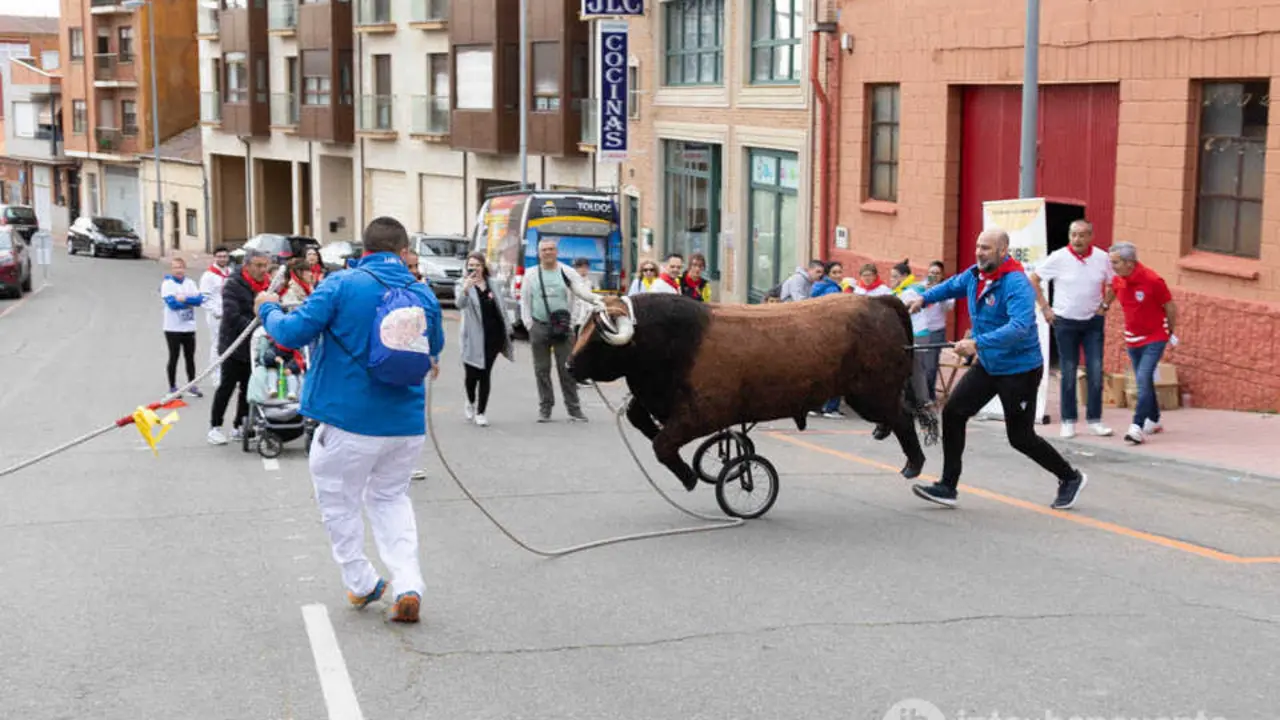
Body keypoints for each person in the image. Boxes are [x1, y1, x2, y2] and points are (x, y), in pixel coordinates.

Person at [254, 216, 444, 624]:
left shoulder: (342, 284)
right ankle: (408, 583)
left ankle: (361, 581)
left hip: (348, 421)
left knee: (338, 501)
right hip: (405, 425)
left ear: (365, 249)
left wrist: (267, 307)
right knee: (391, 499)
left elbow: (290, 333)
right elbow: (436, 347)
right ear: (403, 250)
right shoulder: (421, 293)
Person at [906, 228, 1088, 511]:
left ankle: (1070, 477)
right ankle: (947, 486)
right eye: (979, 246)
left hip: (1019, 370)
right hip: (990, 364)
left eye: (987, 248)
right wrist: (924, 299)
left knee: (1021, 438)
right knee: (954, 412)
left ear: (1004, 251)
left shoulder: (1016, 284)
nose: (980, 252)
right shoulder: (976, 274)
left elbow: (1019, 327)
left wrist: (976, 343)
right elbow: (953, 284)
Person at [1027, 219, 1115, 438]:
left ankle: (1095, 419)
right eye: (1073, 234)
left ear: (1091, 236)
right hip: (1065, 321)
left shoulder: (1102, 258)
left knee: (1095, 370)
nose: (1077, 239)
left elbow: (1115, 283)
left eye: (1082, 235)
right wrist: (1045, 308)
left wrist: (1105, 305)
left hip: (1093, 322)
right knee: (1068, 370)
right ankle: (1068, 420)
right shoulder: (1058, 257)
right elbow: (1034, 279)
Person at [518, 237, 604, 422]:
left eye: (551, 249)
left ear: (557, 252)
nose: (548, 253)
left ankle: (574, 409)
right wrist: (529, 324)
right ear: (539, 254)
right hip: (539, 326)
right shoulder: (531, 274)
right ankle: (545, 408)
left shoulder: (567, 272)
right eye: (544, 250)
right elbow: (525, 300)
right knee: (541, 370)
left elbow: (580, 293)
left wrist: (575, 320)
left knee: (567, 370)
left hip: (563, 328)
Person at [1108, 241, 1177, 446]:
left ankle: (1136, 426)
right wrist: (1104, 304)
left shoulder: (1153, 280)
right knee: (1144, 380)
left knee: (1143, 377)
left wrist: (1170, 330)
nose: (1112, 266)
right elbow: (1113, 289)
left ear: (1130, 263)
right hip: (1132, 337)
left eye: (1116, 262)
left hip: (1155, 337)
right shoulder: (1119, 279)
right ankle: (1154, 419)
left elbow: (1170, 307)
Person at [208, 249, 272, 445]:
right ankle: (215, 426)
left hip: (254, 347)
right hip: (233, 344)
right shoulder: (233, 285)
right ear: (247, 266)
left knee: (248, 387)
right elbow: (232, 315)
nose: (263, 270)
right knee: (227, 386)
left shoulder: (267, 285)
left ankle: (240, 425)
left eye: (265, 265)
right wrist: (257, 326)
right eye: (259, 266)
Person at [457, 251, 513, 427]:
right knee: (472, 374)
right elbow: (459, 304)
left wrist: (508, 328)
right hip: (472, 337)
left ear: (483, 267)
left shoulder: (492, 284)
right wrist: (466, 288)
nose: (474, 269)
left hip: (492, 336)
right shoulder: (462, 284)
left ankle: (481, 412)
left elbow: (501, 307)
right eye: (471, 266)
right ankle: (470, 401)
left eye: (477, 265)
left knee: (485, 374)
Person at [161, 258, 204, 397]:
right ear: (171, 270)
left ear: (184, 268)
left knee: (190, 357)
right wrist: (188, 302)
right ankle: (173, 387)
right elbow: (172, 304)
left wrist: (184, 299)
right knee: (174, 356)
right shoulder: (167, 284)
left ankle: (192, 384)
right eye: (175, 268)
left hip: (189, 327)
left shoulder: (190, 283)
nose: (178, 270)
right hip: (172, 327)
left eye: (180, 267)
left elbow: (199, 300)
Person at [809, 261, 847, 418]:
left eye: (840, 272)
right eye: (835, 273)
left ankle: (815, 405)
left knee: (820, 373)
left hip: (817, 335)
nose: (838, 275)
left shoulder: (817, 288)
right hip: (832, 335)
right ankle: (831, 407)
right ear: (828, 274)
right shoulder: (833, 290)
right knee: (837, 371)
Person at [919, 260, 955, 403]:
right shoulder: (921, 287)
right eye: (931, 273)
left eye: (937, 273)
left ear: (942, 276)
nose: (933, 275)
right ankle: (919, 396)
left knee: (930, 366)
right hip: (921, 330)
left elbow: (949, 307)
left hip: (936, 331)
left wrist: (937, 293)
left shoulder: (946, 289)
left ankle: (929, 396)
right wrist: (925, 292)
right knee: (919, 365)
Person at [199, 247, 231, 388]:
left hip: (230, 313)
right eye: (219, 256)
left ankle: (228, 375)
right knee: (217, 344)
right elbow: (204, 298)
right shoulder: (209, 276)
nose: (222, 259)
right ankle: (216, 377)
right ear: (214, 258)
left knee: (230, 345)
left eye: (225, 256)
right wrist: (216, 311)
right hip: (216, 316)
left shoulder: (230, 273)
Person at [569, 256, 598, 338]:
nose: (584, 269)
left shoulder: (589, 282)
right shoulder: (571, 281)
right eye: (581, 267)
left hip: (586, 316)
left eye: (586, 267)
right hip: (574, 317)